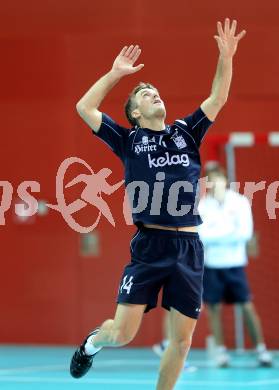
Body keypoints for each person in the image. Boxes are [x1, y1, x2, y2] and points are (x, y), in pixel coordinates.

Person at [70, 19, 246, 389]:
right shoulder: (127, 140)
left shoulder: (185, 132)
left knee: (182, 342)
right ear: (134, 112)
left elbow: (218, 98)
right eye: (146, 94)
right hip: (151, 246)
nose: (155, 94)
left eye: (156, 91)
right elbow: (84, 107)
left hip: (189, 247)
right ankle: (92, 343)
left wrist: (225, 57)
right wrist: (116, 73)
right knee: (121, 334)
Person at [197, 164, 273, 368]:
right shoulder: (203, 206)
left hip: (235, 264)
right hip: (212, 265)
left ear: (224, 179)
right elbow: (202, 236)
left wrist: (218, 233)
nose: (215, 183)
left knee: (246, 306)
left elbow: (245, 233)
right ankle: (221, 352)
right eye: (210, 179)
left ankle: (261, 350)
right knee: (213, 308)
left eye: (218, 178)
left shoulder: (240, 202)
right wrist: (228, 232)